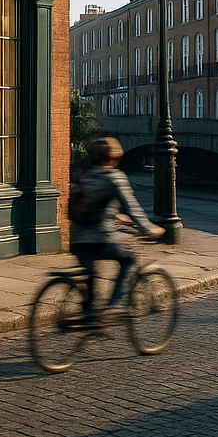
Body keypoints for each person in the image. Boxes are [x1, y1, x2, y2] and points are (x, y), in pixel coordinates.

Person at [70, 135, 165, 320]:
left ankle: (89, 313)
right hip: (101, 237)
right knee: (128, 260)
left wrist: (116, 215)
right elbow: (132, 206)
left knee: (91, 273)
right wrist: (148, 227)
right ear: (112, 157)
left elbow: (93, 204)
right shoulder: (114, 177)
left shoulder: (85, 176)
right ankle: (114, 305)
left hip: (76, 238)